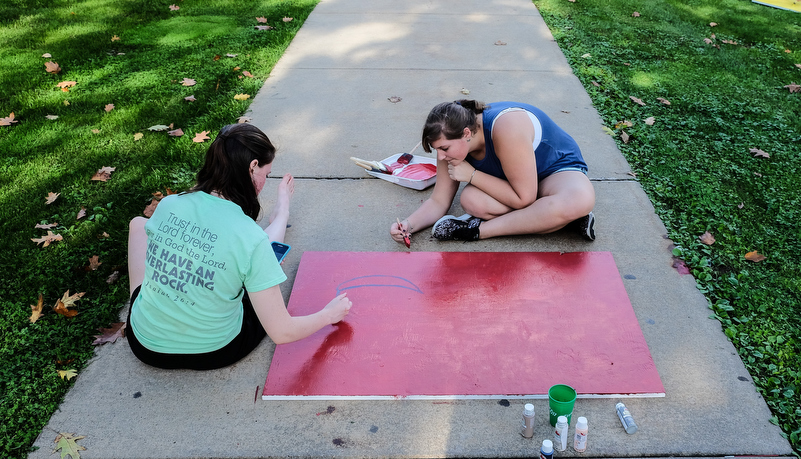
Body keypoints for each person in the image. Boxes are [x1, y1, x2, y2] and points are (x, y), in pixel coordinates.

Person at [126, 123, 351, 370]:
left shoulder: (169, 204)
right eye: (266, 174)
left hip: (144, 344)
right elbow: (283, 332)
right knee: (258, 259)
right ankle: (281, 213)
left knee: (138, 224)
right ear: (252, 166)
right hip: (214, 350)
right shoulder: (250, 237)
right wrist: (329, 314)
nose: (264, 181)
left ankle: (153, 307)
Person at [390, 100, 596, 243]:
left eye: (444, 149)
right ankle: (554, 218)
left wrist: (472, 175)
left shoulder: (506, 128)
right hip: (515, 184)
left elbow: (524, 198)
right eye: (437, 150)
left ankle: (476, 231)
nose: (441, 157)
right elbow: (439, 201)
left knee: (579, 200)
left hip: (554, 171)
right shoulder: (448, 140)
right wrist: (409, 225)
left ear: (467, 133)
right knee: (472, 200)